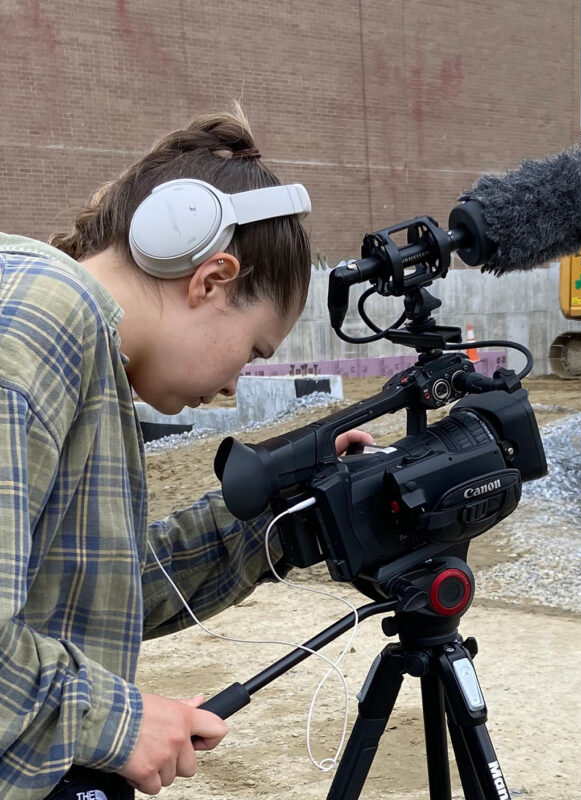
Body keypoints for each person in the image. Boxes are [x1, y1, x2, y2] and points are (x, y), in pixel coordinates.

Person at [0, 107, 370, 798]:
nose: (233, 387)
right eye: (254, 351)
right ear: (211, 279)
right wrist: (116, 722)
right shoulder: (41, 318)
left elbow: (104, 590)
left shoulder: (83, 348)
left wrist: (281, 520)